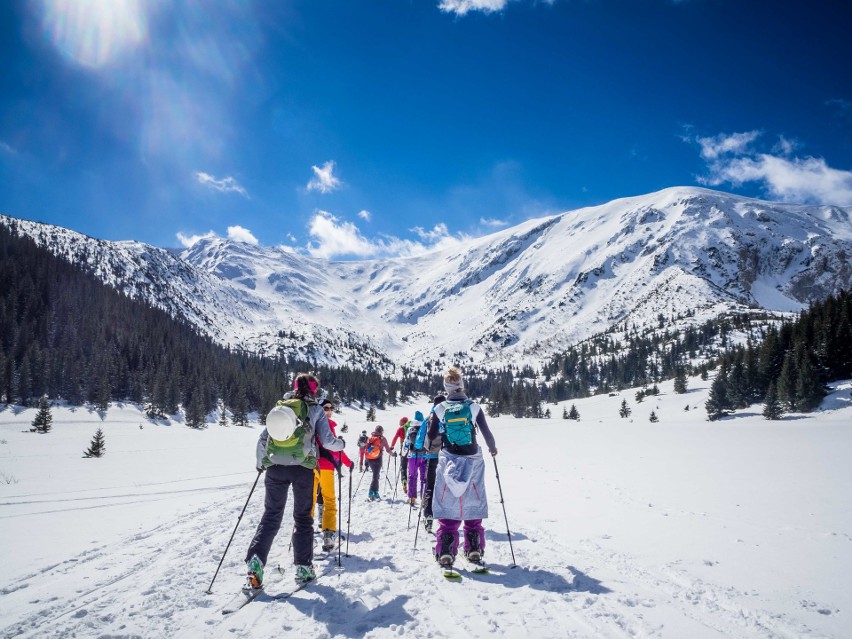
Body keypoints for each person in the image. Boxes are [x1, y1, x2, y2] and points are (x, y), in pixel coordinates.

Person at [244, 373, 345, 589]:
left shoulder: (281, 407)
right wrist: (342, 445)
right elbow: (327, 441)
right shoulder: (316, 409)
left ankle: (255, 562)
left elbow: (264, 438)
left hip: (274, 468)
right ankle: (303, 568)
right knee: (302, 518)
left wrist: (261, 462)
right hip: (302, 469)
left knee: (270, 517)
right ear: (314, 389)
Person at [428, 368, 497, 568]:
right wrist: (493, 449)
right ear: (462, 385)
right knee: (473, 499)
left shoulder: (440, 408)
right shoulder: (474, 407)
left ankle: (446, 550)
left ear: (446, 388)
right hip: (473, 459)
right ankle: (474, 547)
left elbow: (432, 436)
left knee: (448, 500)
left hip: (449, 458)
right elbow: (487, 433)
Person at [314, 398, 354, 551]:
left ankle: (304, 537)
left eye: (331, 408)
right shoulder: (327, 424)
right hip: (325, 467)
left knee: (309, 502)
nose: (329, 411)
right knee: (329, 501)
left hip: (311, 467)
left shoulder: (311, 424)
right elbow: (334, 448)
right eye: (325, 408)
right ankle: (328, 535)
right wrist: (348, 462)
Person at [415, 395, 445, 534]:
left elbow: (420, 440)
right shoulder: (447, 416)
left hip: (430, 457)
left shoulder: (429, 418)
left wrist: (420, 449)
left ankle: (428, 517)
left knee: (430, 488)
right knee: (445, 488)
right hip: (446, 457)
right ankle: (446, 521)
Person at [364, 425, 395, 501]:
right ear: (381, 431)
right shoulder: (383, 439)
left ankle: (375, 492)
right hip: (378, 458)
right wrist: (393, 454)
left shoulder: (370, 438)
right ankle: (372, 492)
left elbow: (366, 449)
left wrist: (366, 461)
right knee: (375, 475)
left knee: (376, 475)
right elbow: (388, 450)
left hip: (369, 459)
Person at [405, 410, 428, 507]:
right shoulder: (425, 428)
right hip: (424, 456)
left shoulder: (410, 429)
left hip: (413, 456)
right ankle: (423, 498)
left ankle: (412, 498)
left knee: (412, 476)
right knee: (424, 478)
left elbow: (406, 443)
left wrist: (404, 454)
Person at [392, 416, 411, 493]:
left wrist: (392, 446)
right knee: (411, 468)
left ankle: (404, 484)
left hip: (403, 451)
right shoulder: (411, 428)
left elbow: (395, 438)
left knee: (403, 467)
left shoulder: (400, 429)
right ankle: (411, 483)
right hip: (412, 450)